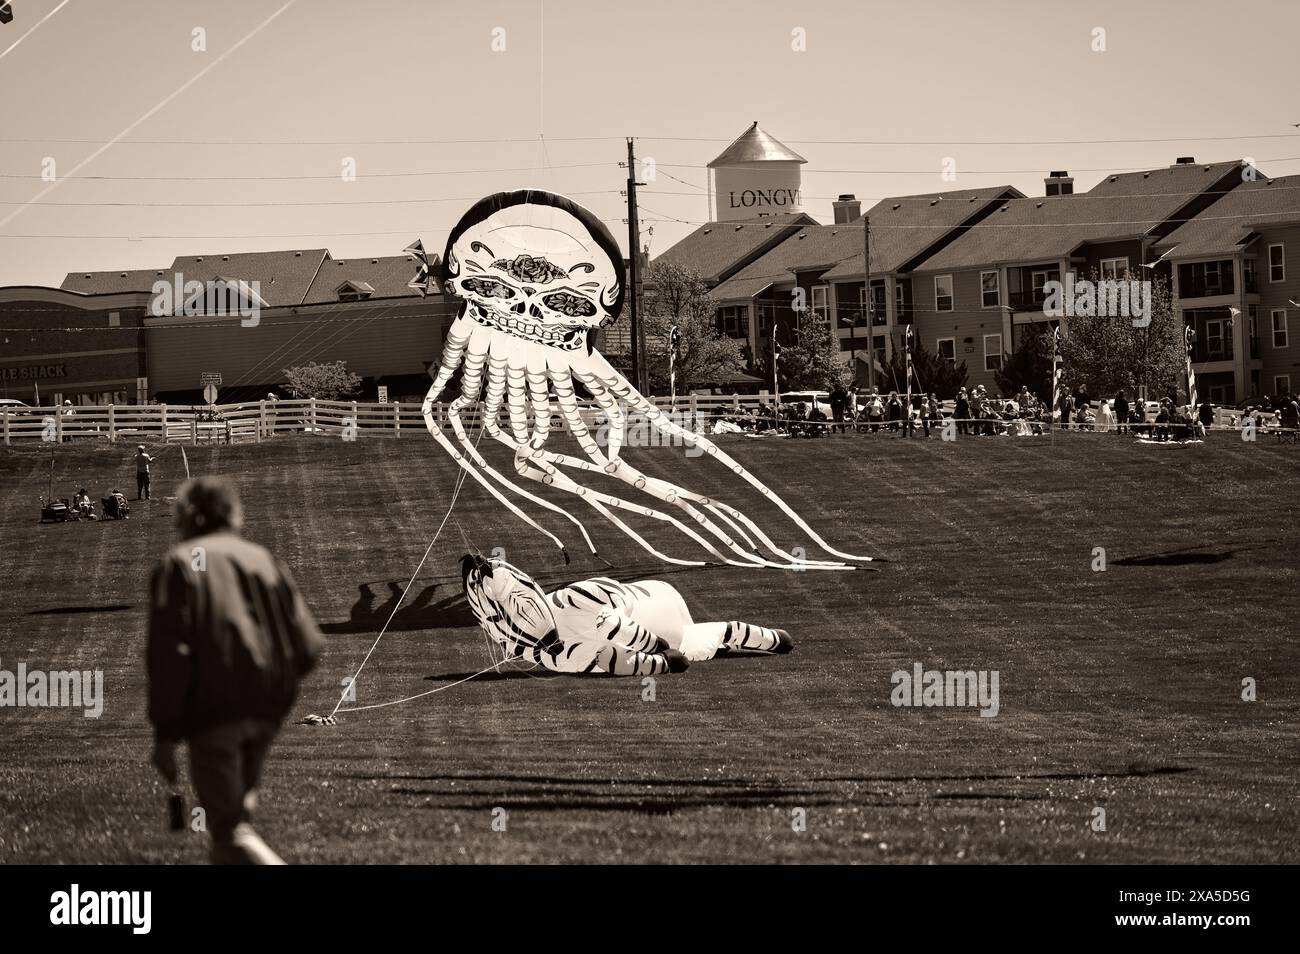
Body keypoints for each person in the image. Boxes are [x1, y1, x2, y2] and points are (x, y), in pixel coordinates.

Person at [147, 477, 325, 864]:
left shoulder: (179, 564)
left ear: (187, 516)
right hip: (267, 709)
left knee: (229, 830)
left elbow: (167, 655)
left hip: (216, 709)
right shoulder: (264, 559)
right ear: (232, 513)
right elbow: (309, 645)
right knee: (233, 819)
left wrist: (165, 736)